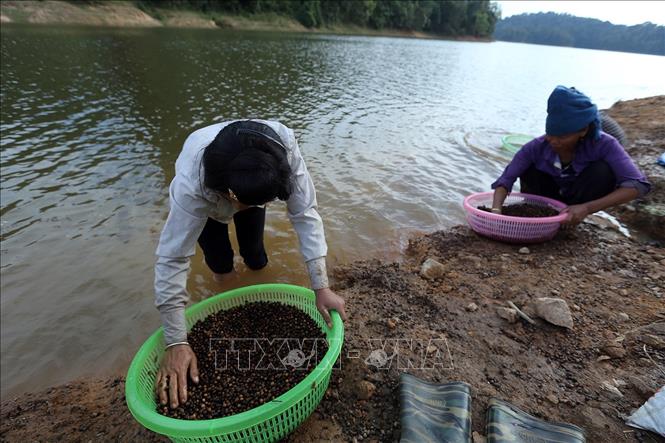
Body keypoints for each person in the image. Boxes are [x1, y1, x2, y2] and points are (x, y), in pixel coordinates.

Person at [153, 119, 348, 409]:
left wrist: (321, 285)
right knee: (220, 263)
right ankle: (231, 296)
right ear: (232, 196)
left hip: (250, 182)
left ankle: (252, 293)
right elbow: (173, 257)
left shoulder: (281, 147)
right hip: (211, 194)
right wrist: (176, 342)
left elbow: (305, 213)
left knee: (255, 253)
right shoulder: (190, 187)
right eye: (246, 202)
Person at [491, 86, 650, 224]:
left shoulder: (605, 144)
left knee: (602, 170)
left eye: (562, 137)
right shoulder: (537, 147)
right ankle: (541, 216)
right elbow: (505, 180)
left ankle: (574, 216)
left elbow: (637, 185)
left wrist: (587, 208)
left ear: (583, 131)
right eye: (550, 134)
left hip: (580, 198)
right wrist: (496, 209)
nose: (554, 142)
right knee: (528, 166)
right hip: (544, 199)